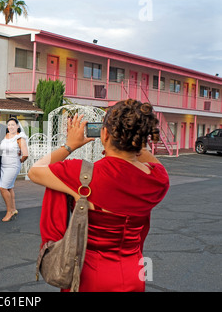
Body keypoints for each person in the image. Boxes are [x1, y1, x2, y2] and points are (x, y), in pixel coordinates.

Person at [28, 99, 170, 292]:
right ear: (141, 139)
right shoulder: (157, 179)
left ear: (104, 134)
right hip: (133, 274)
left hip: (90, 276)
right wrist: (134, 141)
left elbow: (35, 170)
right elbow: (155, 164)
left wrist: (70, 145)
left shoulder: (82, 174)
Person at [0, 118, 28, 222]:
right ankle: (14, 209)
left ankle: (9, 211)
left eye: (13, 125)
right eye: (9, 125)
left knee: (3, 188)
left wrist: (19, 161)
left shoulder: (20, 138)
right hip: (3, 165)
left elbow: (25, 154)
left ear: (17, 126)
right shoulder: (5, 136)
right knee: (9, 187)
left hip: (13, 165)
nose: (10, 127)